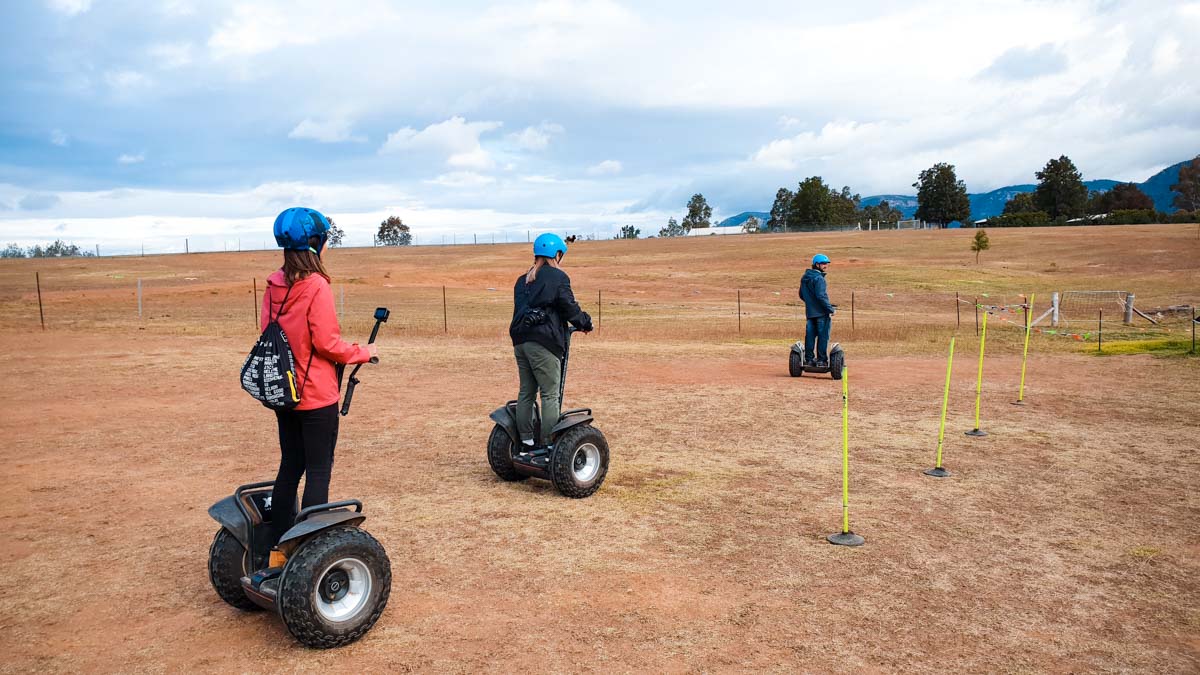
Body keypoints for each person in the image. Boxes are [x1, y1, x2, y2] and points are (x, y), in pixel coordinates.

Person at [260, 207, 377, 551]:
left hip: (284, 391)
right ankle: (307, 550)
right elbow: (327, 343)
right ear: (316, 243)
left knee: (290, 466)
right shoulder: (316, 286)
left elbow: (272, 335)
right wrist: (362, 352)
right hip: (315, 396)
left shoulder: (274, 284)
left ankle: (280, 545)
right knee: (319, 469)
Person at [509, 233, 593, 450]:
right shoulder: (558, 277)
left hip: (520, 341)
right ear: (557, 254)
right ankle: (549, 444)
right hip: (543, 342)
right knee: (549, 393)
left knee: (526, 391)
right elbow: (569, 307)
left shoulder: (523, 280)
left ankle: (525, 439)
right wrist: (585, 322)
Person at [800, 253, 836, 367]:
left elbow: (801, 294)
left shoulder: (805, 277)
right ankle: (821, 360)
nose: (826, 266)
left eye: (826, 263)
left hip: (810, 313)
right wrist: (830, 309)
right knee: (823, 336)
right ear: (817, 264)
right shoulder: (819, 278)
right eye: (823, 263)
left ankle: (809, 360)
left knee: (810, 336)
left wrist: (810, 303)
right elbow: (821, 296)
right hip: (821, 313)